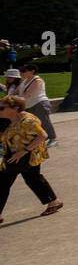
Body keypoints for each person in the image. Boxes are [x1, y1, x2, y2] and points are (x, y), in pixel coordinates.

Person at [0, 95, 61, 223]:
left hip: (27, 155)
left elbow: (43, 135)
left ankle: (54, 201)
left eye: (2, 108)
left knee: (12, 181)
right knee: (31, 179)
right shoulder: (9, 119)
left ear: (15, 108)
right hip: (13, 154)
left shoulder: (28, 121)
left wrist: (23, 152)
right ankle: (53, 201)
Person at [16, 64, 56, 145]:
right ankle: (43, 139)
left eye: (24, 71)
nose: (21, 73)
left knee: (44, 122)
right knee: (34, 124)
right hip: (29, 105)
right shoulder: (24, 81)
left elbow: (28, 94)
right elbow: (15, 92)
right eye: (21, 71)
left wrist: (17, 101)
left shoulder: (37, 80)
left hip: (39, 104)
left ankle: (53, 139)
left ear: (32, 71)